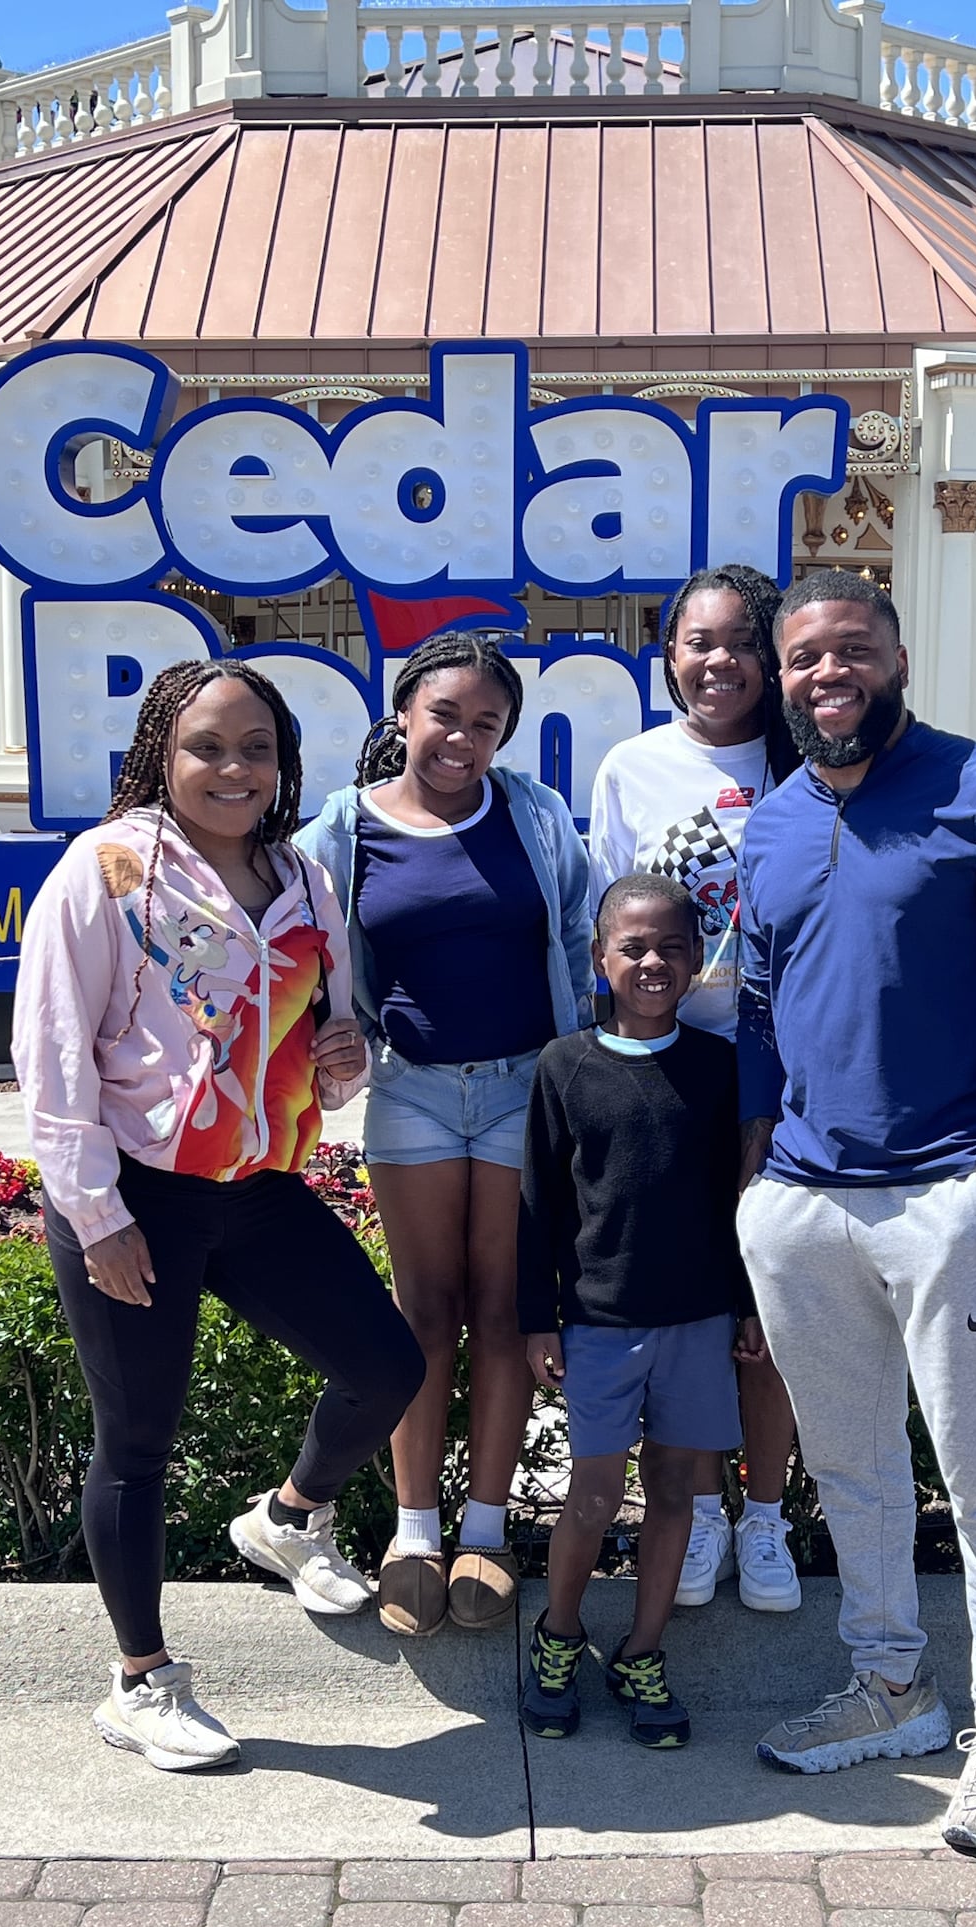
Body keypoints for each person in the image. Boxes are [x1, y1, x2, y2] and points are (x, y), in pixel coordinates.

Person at [734, 568, 976, 1853]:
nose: (828, 674)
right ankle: (893, 1688)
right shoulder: (770, 823)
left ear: (895, 655)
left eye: (852, 650)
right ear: (779, 681)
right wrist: (758, 1182)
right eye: (804, 659)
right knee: (854, 1471)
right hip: (804, 1203)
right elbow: (764, 1012)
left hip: (952, 1190)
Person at [12, 657, 425, 1773]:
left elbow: (325, 1049)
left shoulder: (302, 877)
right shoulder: (106, 873)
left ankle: (289, 1518)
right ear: (161, 752)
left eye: (257, 748)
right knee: (137, 1443)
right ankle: (140, 1682)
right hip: (138, 1194)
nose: (234, 769)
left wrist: (344, 1059)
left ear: (284, 763)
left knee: (387, 1366)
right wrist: (96, 1216)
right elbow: (53, 1060)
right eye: (208, 747)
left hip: (258, 1189)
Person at [299, 632, 592, 1639]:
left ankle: (485, 1531)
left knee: (507, 1309)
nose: (462, 739)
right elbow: (294, 944)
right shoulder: (345, 829)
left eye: (486, 723)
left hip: (523, 1090)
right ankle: (413, 1533)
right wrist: (323, 1034)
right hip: (413, 1091)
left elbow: (579, 939)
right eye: (444, 716)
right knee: (421, 1310)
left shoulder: (535, 816)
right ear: (402, 716)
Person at [588, 563, 801, 1616]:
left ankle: (767, 1520)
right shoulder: (632, 767)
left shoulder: (811, 758)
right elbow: (608, 917)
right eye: (695, 641)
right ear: (668, 652)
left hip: (790, 1071)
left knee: (772, 1307)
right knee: (689, 1307)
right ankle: (702, 1508)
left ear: (769, 653)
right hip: (671, 1074)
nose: (717, 661)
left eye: (737, 641)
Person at [517, 875, 766, 1749]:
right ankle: (558, 1634)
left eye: (670, 947)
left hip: (697, 1321)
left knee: (673, 1493)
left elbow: (735, 1205)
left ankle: (644, 1650)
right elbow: (541, 1208)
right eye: (633, 947)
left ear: (698, 961)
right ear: (599, 958)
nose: (653, 961)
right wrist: (536, 1318)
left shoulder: (716, 1069)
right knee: (591, 1495)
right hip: (598, 1324)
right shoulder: (564, 1066)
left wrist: (746, 1307)